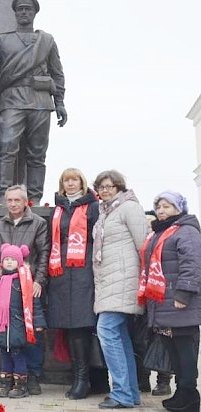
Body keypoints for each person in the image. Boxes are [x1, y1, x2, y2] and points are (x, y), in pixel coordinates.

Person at [0, 0, 67, 204]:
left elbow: (58, 73)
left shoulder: (46, 41)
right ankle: (3, 195)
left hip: (40, 101)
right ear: (15, 13)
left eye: (28, 9)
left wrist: (60, 103)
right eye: (20, 9)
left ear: (34, 13)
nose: (24, 12)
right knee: (7, 147)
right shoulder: (0, 40)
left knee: (37, 153)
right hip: (12, 100)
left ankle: (35, 198)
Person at [139, 191, 201, 411]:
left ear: (178, 208)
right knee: (173, 354)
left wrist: (184, 294)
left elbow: (192, 265)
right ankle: (181, 394)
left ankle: (190, 397)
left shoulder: (187, 231)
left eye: (167, 206)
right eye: (159, 207)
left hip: (180, 304)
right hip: (163, 304)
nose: (162, 210)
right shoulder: (161, 232)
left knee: (185, 354)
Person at [92, 170, 147, 409]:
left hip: (125, 279)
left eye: (109, 186)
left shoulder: (129, 207)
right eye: (101, 187)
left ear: (119, 187)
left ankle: (123, 393)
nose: (104, 190)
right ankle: (130, 393)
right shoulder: (105, 212)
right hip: (108, 282)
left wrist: (141, 282)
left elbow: (143, 245)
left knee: (106, 330)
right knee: (120, 338)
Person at [0, 184, 49, 395]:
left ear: (25, 201)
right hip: (5, 285)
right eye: (9, 200)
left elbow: (43, 254)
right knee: (6, 332)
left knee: (29, 332)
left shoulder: (38, 223)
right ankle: (10, 377)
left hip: (27, 285)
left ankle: (31, 377)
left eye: (17, 200)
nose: (13, 204)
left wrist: (39, 280)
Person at [46, 168, 103, 399]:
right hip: (60, 273)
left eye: (74, 180)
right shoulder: (57, 210)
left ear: (81, 182)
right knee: (68, 326)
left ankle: (85, 379)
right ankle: (78, 376)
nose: (70, 184)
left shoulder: (93, 207)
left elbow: (100, 238)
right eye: (66, 180)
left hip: (83, 271)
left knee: (82, 325)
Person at [0, 244, 45, 399]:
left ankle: (21, 385)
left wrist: (38, 323)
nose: (10, 262)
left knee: (17, 354)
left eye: (13, 259)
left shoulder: (23, 282)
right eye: (7, 259)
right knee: (4, 354)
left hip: (17, 325)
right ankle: (5, 382)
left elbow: (34, 304)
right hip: (0, 326)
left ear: (19, 262)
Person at [131, 210, 173, 396]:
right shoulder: (137, 244)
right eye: (145, 225)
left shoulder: (164, 242)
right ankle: (143, 380)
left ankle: (163, 382)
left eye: (151, 224)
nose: (148, 228)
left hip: (161, 298)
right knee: (139, 341)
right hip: (141, 298)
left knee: (163, 340)